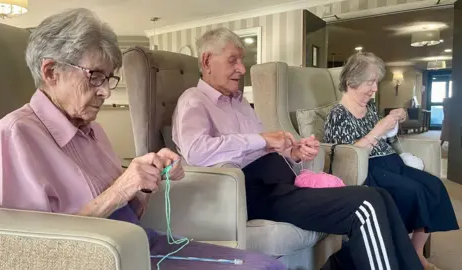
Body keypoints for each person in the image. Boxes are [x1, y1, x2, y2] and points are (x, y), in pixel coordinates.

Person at [0, 9, 285, 270]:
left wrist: (146, 182)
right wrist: (121, 188)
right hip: (108, 261)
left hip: (141, 245)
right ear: (51, 71)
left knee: (270, 264)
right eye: (95, 76)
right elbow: (29, 253)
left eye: (109, 78)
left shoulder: (94, 131)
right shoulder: (15, 135)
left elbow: (131, 213)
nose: (106, 92)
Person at [172, 27, 427, 270]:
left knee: (376, 195)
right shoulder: (193, 100)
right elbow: (197, 151)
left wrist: (292, 153)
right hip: (243, 192)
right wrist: (263, 139)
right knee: (365, 204)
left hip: (277, 184)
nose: (241, 68)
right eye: (233, 60)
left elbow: (262, 150)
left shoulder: (240, 104)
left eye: (242, 60)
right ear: (207, 61)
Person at [323, 52, 458, 270]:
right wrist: (378, 129)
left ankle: (416, 254)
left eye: (376, 82)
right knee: (413, 191)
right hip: (370, 169)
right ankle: (407, 256)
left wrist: (396, 120)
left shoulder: (370, 108)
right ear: (351, 82)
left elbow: (390, 139)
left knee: (433, 185)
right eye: (371, 82)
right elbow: (346, 155)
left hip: (392, 162)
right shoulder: (337, 114)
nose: (375, 88)